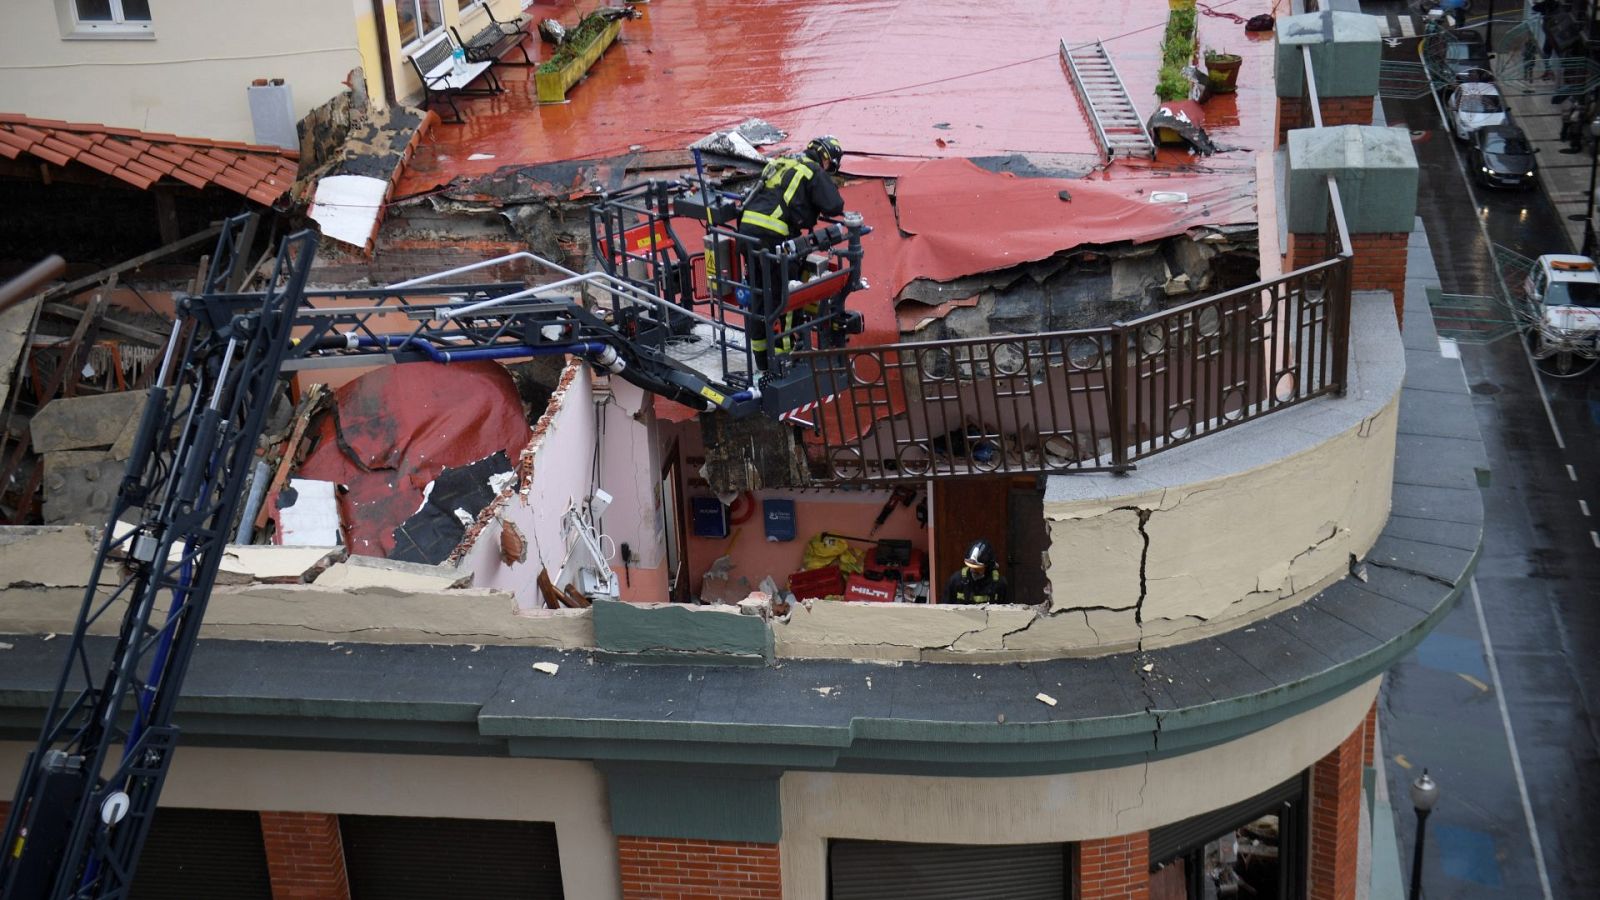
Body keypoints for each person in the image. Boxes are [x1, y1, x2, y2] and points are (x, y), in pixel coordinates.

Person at [737, 135, 847, 248]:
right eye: (830, 166)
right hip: (771, 234)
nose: (827, 170)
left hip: (746, 229)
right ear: (827, 159)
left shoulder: (782, 161)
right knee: (795, 262)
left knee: (754, 265)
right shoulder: (813, 169)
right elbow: (834, 206)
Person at [941, 540, 1009, 605]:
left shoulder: (999, 584)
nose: (973, 570)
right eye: (970, 566)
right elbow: (944, 608)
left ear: (988, 566)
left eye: (978, 568)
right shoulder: (956, 581)